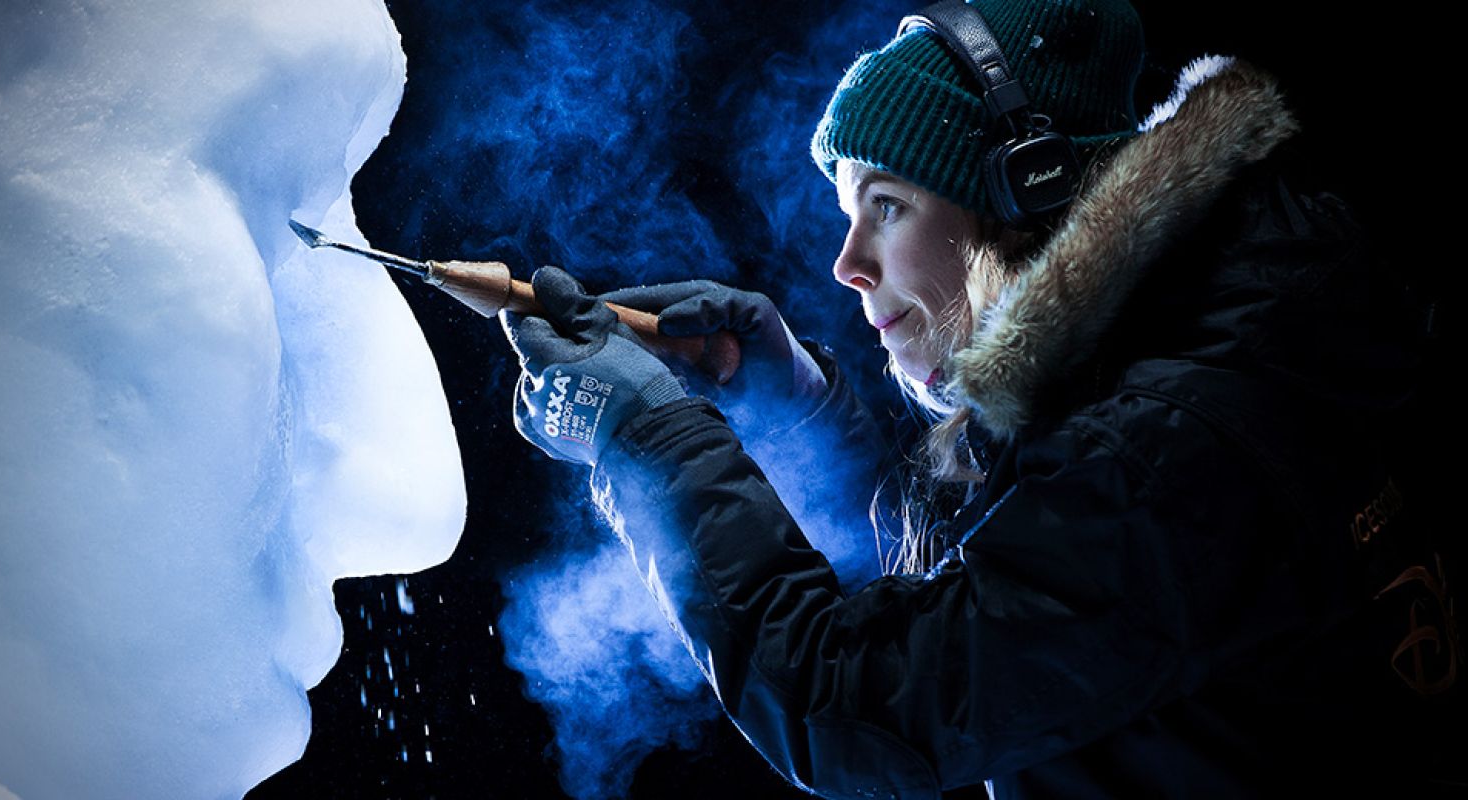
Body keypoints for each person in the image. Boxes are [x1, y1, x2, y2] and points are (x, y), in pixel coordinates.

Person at [501, 0, 1460, 796]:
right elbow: (1014, 575)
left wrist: (650, 443)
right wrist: (797, 408)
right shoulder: (1198, 356)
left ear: (1024, 192)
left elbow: (854, 709)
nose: (846, 266)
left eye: (887, 205)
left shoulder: (1173, 455)